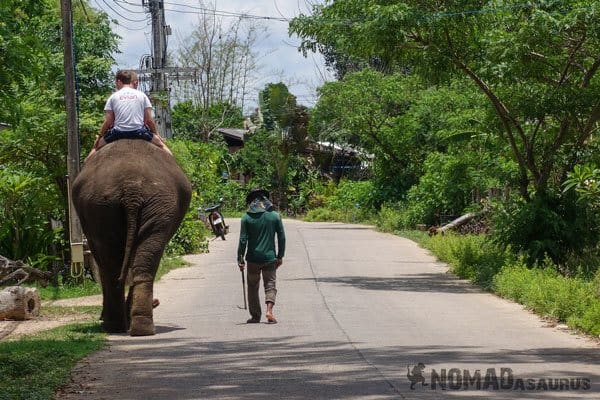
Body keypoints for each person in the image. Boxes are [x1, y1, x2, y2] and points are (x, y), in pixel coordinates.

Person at [86, 70, 172, 160]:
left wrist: (99, 136)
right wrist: (157, 134)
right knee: (162, 147)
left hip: (118, 133)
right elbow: (149, 120)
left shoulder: (113, 97)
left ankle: (84, 168)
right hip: (139, 132)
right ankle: (175, 167)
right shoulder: (142, 95)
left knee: (95, 148)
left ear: (119, 81)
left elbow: (108, 121)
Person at [237, 189, 286, 324]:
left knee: (253, 286)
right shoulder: (275, 216)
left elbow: (242, 240)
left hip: (252, 259)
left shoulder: (246, 218)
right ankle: (269, 311)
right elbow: (281, 237)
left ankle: (255, 316)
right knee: (270, 285)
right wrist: (280, 255)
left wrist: (240, 259)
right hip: (270, 258)